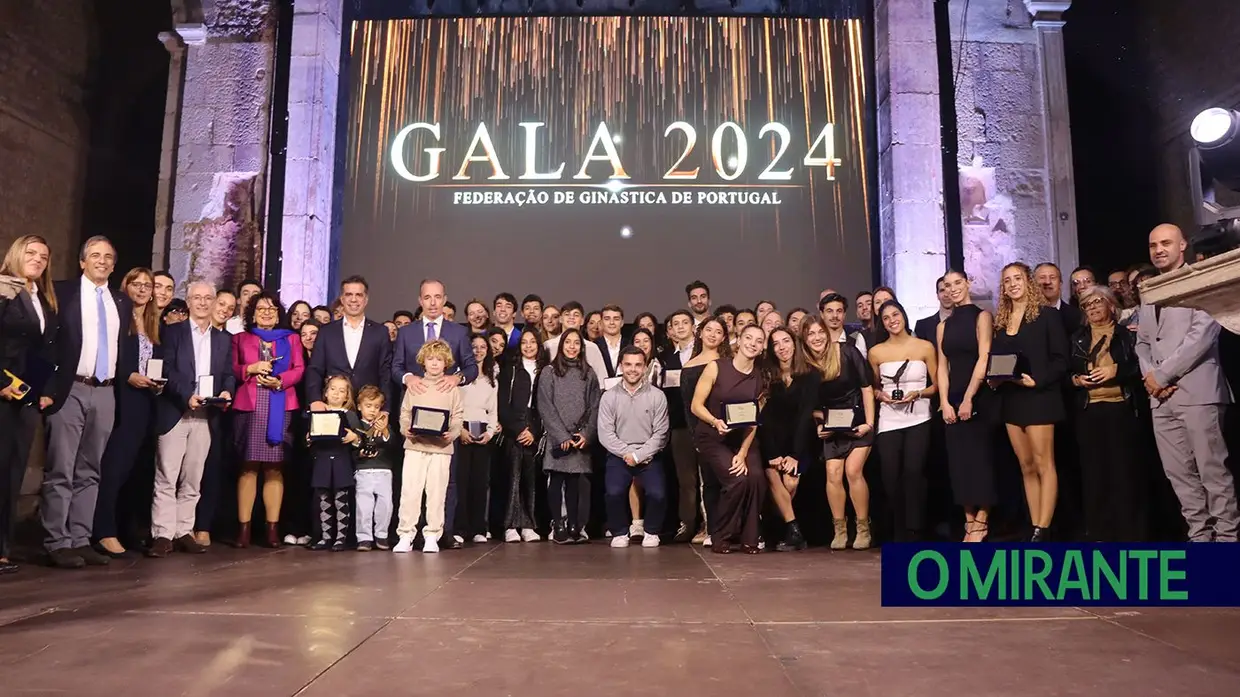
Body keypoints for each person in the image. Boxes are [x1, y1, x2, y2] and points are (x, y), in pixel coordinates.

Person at [1136, 223, 1238, 542]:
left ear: (1183, 246)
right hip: (1161, 400)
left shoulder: (1201, 280)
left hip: (1198, 393)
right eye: (1153, 245)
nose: (1159, 250)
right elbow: (1142, 342)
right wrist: (1152, 378)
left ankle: (1226, 545)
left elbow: (1203, 336)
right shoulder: (1149, 290)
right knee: (1180, 478)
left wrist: (1162, 375)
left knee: (1213, 476)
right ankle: (1200, 541)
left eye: (1166, 243)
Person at [41, 236, 130, 569]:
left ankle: (80, 537)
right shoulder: (63, 293)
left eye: (108, 257)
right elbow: (47, 343)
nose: (102, 261)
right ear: (82, 262)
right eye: (95, 256)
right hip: (71, 388)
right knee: (61, 467)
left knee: (90, 470)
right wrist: (48, 386)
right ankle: (56, 540)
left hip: (105, 390)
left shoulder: (119, 301)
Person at [147, 281, 234, 557]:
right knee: (166, 475)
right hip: (176, 410)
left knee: (193, 477)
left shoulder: (223, 339)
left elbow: (229, 373)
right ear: (188, 300)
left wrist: (227, 391)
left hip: (206, 415)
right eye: (197, 298)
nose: (203, 302)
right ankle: (162, 534)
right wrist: (187, 395)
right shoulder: (172, 333)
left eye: (208, 298)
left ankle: (184, 530)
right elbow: (168, 370)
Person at [990, 262, 1068, 541]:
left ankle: (1044, 528)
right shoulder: (1001, 321)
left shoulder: (1047, 316)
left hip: (1039, 397)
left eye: (1017, 278)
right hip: (1012, 398)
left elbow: (1062, 359)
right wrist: (995, 378)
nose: (1012, 284)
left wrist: (1039, 379)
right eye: (1007, 280)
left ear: (1028, 282)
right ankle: (1034, 525)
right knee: (1025, 465)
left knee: (1043, 462)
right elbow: (998, 361)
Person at [1070, 285, 1148, 541]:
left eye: (1097, 302)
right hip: (1089, 411)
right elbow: (1066, 372)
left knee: (1124, 473)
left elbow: (1140, 367)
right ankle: (1100, 534)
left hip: (1120, 408)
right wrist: (1077, 380)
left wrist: (1115, 370)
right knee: (1094, 475)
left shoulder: (1126, 335)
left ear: (1110, 305)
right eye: (1087, 305)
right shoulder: (1077, 337)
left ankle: (1129, 533)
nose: (1092, 308)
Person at [93, 267, 163, 557]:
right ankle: (103, 530)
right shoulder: (118, 318)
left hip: (147, 402)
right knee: (114, 468)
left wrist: (158, 384)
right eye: (136, 283)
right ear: (126, 286)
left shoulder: (153, 323)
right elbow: (109, 356)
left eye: (148, 285)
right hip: (122, 398)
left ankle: (127, 528)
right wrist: (128, 376)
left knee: (136, 469)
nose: (142, 289)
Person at [0, 235, 57, 574]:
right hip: (3, 391)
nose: (38, 259)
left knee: (13, 471)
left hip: (26, 396)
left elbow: (43, 351)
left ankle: (3, 547)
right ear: (17, 254)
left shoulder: (42, 299)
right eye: (31, 253)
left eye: (44, 256)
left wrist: (45, 390)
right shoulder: (3, 290)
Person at [231, 291, 305, 548]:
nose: (266, 313)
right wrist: (249, 369)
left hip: (281, 403)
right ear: (252, 313)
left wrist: (280, 381)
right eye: (261, 308)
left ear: (278, 315)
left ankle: (272, 530)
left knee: (275, 467)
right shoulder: (241, 338)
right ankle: (244, 530)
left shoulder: (291, 338)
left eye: (271, 309)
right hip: (249, 405)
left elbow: (299, 369)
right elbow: (232, 369)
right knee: (248, 467)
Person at [690, 324, 767, 554]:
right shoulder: (717, 367)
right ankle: (720, 534)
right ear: (739, 341)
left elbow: (754, 421)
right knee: (737, 479)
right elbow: (696, 405)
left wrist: (743, 453)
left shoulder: (759, 378)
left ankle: (750, 538)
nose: (753, 343)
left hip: (742, 439)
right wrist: (715, 422)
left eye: (759, 340)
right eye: (749, 338)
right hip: (713, 436)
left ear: (762, 347)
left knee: (755, 478)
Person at [803, 309, 875, 550]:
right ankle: (840, 529)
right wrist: (820, 424)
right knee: (833, 473)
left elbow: (866, 387)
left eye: (819, 332)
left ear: (827, 332)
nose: (816, 337)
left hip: (858, 421)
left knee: (853, 471)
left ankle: (863, 527)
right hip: (832, 426)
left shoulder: (847, 351)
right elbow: (811, 405)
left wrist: (870, 423)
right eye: (810, 334)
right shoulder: (807, 365)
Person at [868, 300, 938, 542]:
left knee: (914, 473)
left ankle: (915, 530)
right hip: (889, 419)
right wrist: (882, 396)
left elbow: (938, 384)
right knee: (890, 475)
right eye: (886, 318)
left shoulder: (925, 347)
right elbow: (873, 388)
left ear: (904, 315)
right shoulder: (875, 352)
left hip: (920, 417)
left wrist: (918, 393)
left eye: (895, 314)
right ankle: (897, 529)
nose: (891, 320)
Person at [936, 270, 996, 542]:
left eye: (958, 282)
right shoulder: (942, 326)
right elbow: (941, 367)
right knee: (959, 463)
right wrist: (945, 402)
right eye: (947, 285)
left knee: (980, 460)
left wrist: (970, 397)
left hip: (979, 395)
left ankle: (982, 520)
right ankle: (968, 520)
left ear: (968, 283)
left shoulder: (982, 316)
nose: (953, 289)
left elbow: (984, 357)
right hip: (953, 398)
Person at [395, 339, 464, 553]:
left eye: (439, 360)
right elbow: (405, 413)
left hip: (441, 449)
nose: (435, 363)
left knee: (436, 492)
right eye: (431, 359)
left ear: (446, 363)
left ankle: (433, 534)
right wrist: (405, 428)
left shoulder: (451, 389)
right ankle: (406, 534)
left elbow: (457, 416)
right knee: (410, 491)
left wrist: (450, 434)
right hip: (415, 446)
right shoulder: (415, 386)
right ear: (423, 362)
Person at [599, 346, 670, 548]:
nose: (633, 369)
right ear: (621, 365)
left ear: (645, 367)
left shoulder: (657, 396)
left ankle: (651, 531)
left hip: (648, 455)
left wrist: (640, 455)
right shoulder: (609, 396)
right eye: (628, 364)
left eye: (638, 365)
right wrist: (627, 453)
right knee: (613, 492)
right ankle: (620, 532)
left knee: (657, 493)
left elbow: (661, 433)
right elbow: (605, 433)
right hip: (619, 454)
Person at [538, 329, 602, 544]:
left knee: (575, 481)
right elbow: (545, 406)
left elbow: (595, 406)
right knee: (556, 480)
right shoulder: (549, 372)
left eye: (577, 343)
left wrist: (586, 434)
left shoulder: (589, 373)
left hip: (578, 437)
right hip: (559, 439)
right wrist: (561, 436)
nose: (572, 347)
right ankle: (558, 524)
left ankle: (575, 524)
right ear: (561, 345)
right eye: (568, 342)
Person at [758, 326, 814, 551]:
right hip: (771, 442)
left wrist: (794, 455)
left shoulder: (810, 375)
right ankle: (793, 531)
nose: (782, 347)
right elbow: (764, 420)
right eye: (776, 344)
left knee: (790, 482)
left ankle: (775, 527)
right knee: (773, 476)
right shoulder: (766, 376)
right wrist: (773, 454)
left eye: (786, 341)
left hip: (799, 443)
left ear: (794, 343)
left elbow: (804, 418)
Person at [306, 275, 393, 411]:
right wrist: (315, 400)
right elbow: (315, 369)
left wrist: (385, 409)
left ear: (366, 300)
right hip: (331, 407)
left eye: (358, 295)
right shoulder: (326, 332)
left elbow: (385, 374)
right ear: (342, 299)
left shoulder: (380, 332)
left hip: (369, 410)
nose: (353, 299)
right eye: (349, 294)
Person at [680, 316, 731, 545]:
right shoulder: (689, 366)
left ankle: (732, 528)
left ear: (723, 337)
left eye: (718, 331)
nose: (712, 334)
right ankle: (713, 529)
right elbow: (688, 406)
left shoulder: (728, 362)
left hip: (729, 430)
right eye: (708, 330)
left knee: (729, 481)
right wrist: (695, 436)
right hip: (703, 432)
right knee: (708, 482)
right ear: (699, 333)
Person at [497, 328, 547, 543]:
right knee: (513, 478)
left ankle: (529, 524)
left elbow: (547, 405)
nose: (528, 346)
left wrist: (534, 432)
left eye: (532, 342)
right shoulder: (511, 370)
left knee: (532, 479)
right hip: (514, 429)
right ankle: (510, 525)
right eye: (524, 342)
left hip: (536, 428)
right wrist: (518, 429)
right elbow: (502, 405)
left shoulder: (547, 370)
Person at [456, 334, 498, 544]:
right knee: (461, 481)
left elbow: (493, 412)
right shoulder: (458, 377)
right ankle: (460, 528)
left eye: (483, 347)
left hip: (482, 430)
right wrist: (459, 431)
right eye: (474, 347)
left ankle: (478, 528)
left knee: (480, 482)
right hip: (461, 429)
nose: (479, 350)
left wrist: (489, 433)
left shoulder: (492, 379)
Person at [308, 375, 358, 551]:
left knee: (340, 499)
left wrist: (354, 437)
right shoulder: (317, 413)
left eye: (342, 391)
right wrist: (308, 438)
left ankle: (341, 538)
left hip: (341, 460)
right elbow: (308, 437)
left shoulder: (350, 415)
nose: (337, 394)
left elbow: (360, 438)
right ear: (326, 392)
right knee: (323, 500)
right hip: (322, 459)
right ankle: (325, 536)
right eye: (333, 389)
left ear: (347, 396)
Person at [351, 385, 394, 551]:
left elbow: (391, 444)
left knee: (385, 504)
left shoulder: (383, 426)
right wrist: (360, 453)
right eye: (368, 406)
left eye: (376, 407)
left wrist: (384, 431)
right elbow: (352, 450)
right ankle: (364, 538)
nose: (372, 411)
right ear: (360, 406)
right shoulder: (356, 426)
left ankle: (381, 535)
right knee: (364, 506)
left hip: (383, 470)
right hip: (364, 470)